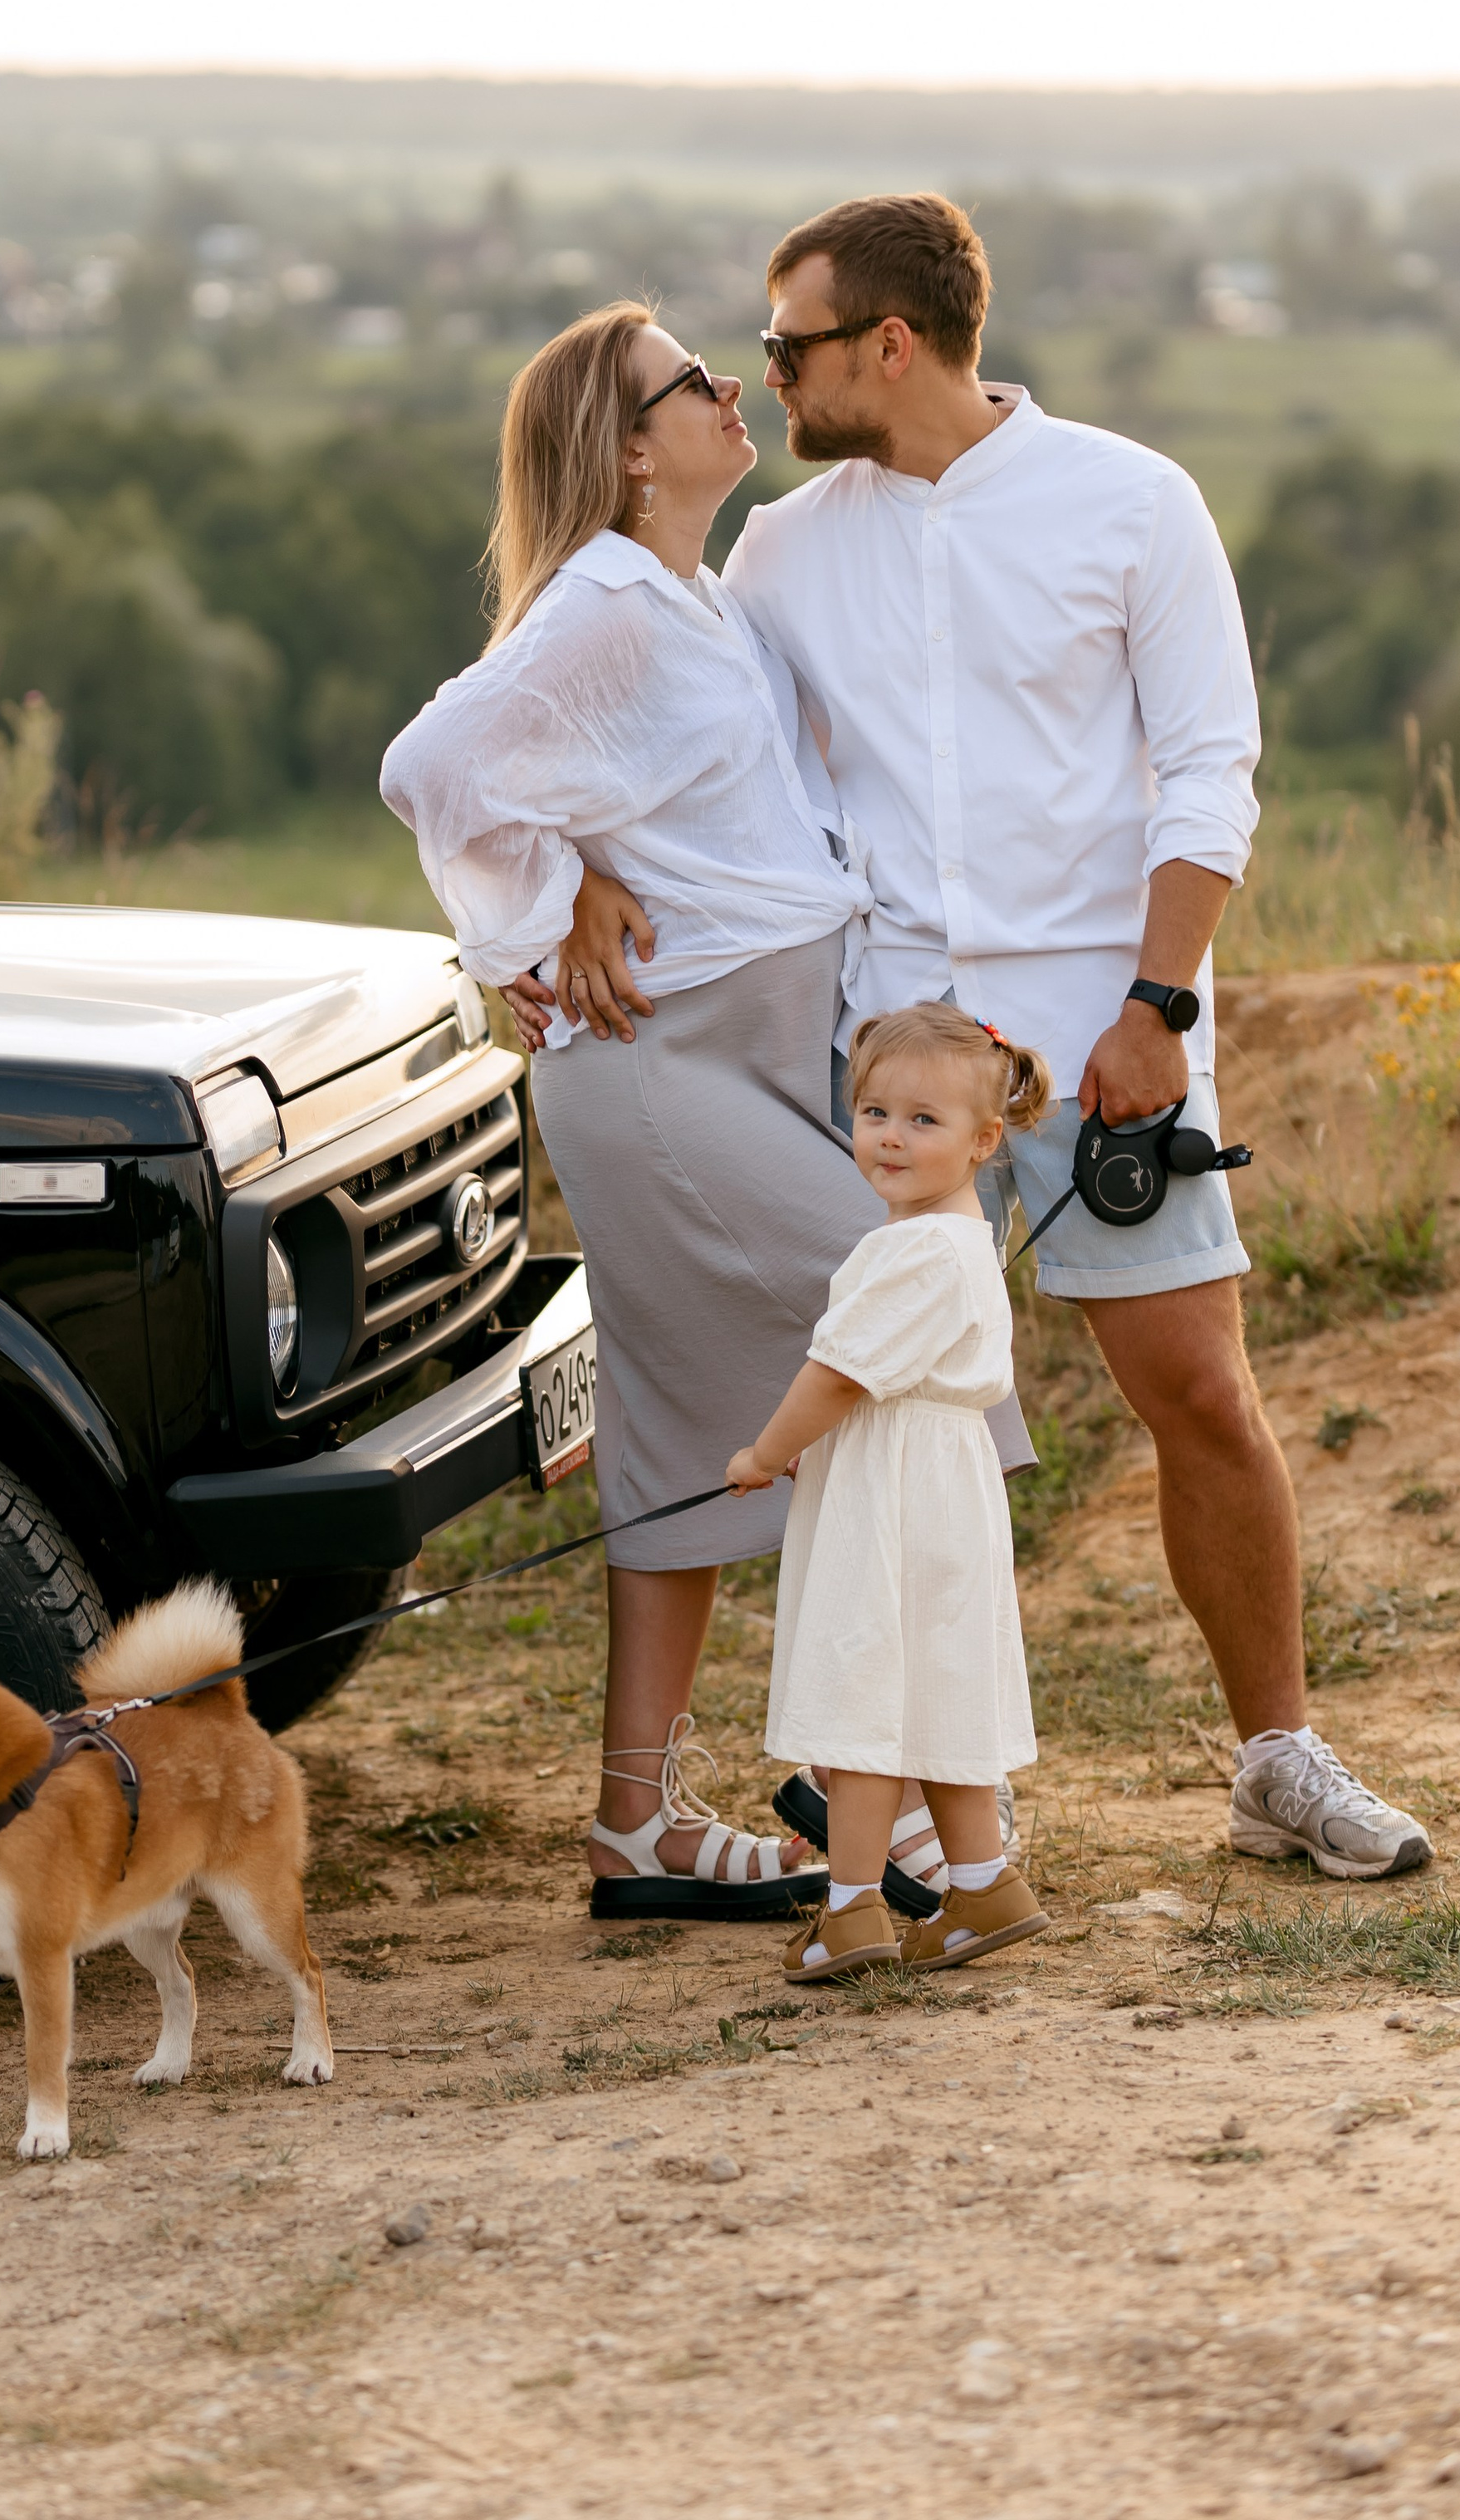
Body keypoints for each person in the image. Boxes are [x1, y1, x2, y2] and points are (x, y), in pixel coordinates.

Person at [552, 190, 1429, 1882]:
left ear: (885, 344)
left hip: (1107, 1041)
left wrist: (1157, 1008)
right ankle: (884, 1793)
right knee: (870, 1425)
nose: (762, 379)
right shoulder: (786, 548)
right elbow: (692, 743)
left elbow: (1206, 772)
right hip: (876, 1057)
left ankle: (1278, 1758)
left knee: (1196, 1394)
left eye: (785, 345)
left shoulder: (1129, 504)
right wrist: (578, 879)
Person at [381, 302, 929, 1910]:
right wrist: (547, 897)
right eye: (687, 381)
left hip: (744, 1053)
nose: (721, 390)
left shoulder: (692, 597)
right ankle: (859, 1768)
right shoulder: (609, 600)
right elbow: (437, 763)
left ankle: (639, 1824)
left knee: (687, 1432)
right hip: (660, 1069)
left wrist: (591, 852)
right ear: (627, 451)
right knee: (901, 1317)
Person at [727, 1002, 1052, 1981]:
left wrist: (765, 1451)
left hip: (895, 1495)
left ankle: (851, 1910)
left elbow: (836, 1376)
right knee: (936, 1695)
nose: (891, 1137)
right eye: (873, 1112)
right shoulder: (959, 1236)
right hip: (940, 1482)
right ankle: (984, 1884)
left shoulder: (912, 1250)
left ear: (983, 1139)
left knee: (863, 1696)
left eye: (923, 1120)